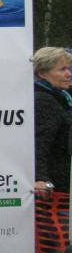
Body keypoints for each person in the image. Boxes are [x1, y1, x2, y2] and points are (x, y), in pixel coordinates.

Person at [32, 47, 72, 197]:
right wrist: (40, 178)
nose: (69, 74)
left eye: (68, 68)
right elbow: (39, 142)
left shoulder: (60, 97)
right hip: (54, 188)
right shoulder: (44, 100)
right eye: (62, 69)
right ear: (42, 73)